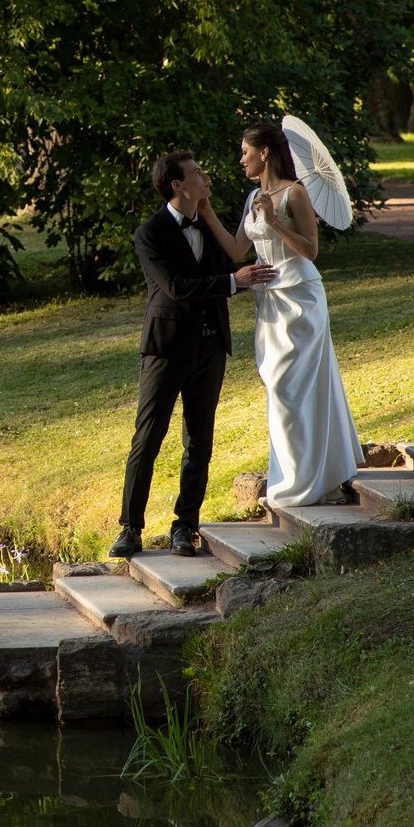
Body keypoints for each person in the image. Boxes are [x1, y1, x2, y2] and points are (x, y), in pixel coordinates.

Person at [115, 151, 277, 559]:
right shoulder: (149, 233)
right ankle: (130, 529)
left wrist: (254, 273)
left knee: (199, 442)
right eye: (197, 173)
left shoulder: (207, 220)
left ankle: (185, 526)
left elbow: (233, 267)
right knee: (147, 439)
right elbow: (177, 286)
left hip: (210, 348)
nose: (206, 177)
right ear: (177, 185)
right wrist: (231, 281)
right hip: (167, 350)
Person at [194, 121, 364, 508]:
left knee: (294, 389)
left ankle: (307, 482)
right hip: (268, 303)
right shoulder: (253, 195)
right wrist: (206, 212)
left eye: (245, 152)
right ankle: (302, 475)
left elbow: (310, 250)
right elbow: (237, 250)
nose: (241, 159)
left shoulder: (295, 194)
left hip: (300, 300)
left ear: (264, 152)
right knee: (278, 388)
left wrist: (273, 222)